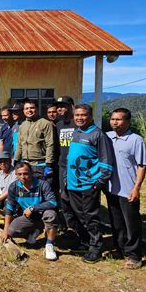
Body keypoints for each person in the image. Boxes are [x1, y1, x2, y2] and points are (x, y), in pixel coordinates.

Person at [66, 104, 115, 264]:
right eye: (77, 115)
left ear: (91, 116)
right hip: (73, 183)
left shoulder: (98, 134)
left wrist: (100, 181)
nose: (80, 118)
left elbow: (106, 161)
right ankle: (86, 241)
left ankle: (96, 247)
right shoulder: (76, 132)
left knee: (90, 216)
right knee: (79, 214)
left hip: (89, 184)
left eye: (83, 115)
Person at [106, 108, 146, 269]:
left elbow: (142, 166)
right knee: (116, 223)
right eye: (113, 119)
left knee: (132, 224)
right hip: (111, 189)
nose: (115, 122)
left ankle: (135, 256)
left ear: (128, 122)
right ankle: (120, 250)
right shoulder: (108, 137)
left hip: (128, 189)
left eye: (119, 119)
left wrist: (136, 188)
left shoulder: (136, 140)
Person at [3, 162, 58, 261]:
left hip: (43, 213)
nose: (23, 177)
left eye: (25, 173)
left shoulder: (42, 184)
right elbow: (9, 208)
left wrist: (33, 208)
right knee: (11, 231)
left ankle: (49, 245)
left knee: (51, 215)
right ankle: (34, 232)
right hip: (29, 217)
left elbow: (53, 202)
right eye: (19, 174)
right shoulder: (13, 187)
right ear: (16, 174)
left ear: (31, 173)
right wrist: (5, 229)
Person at [54, 96, 79, 235]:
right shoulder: (59, 124)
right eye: (58, 107)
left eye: (63, 106)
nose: (60, 109)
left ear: (71, 106)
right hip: (62, 166)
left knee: (76, 198)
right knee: (64, 197)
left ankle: (81, 227)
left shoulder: (78, 123)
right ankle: (71, 227)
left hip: (77, 167)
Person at [14, 99, 55, 182]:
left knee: (43, 191)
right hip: (25, 165)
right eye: (27, 108)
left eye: (32, 108)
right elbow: (19, 145)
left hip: (40, 165)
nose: (29, 110)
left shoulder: (45, 123)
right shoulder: (22, 125)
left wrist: (48, 164)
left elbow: (50, 144)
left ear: (37, 109)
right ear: (23, 110)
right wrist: (16, 160)